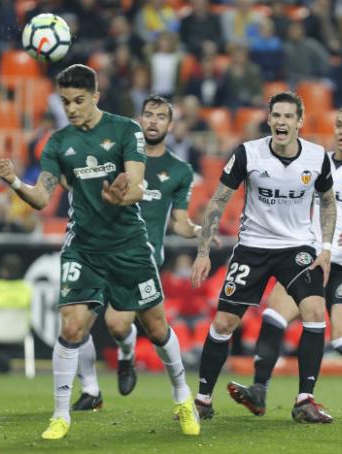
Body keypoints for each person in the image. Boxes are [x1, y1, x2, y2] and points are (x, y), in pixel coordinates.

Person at [0, 64, 200, 440]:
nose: (71, 108)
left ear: (95, 96)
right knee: (71, 327)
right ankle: (60, 416)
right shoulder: (58, 143)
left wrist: (124, 193)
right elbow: (41, 197)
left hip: (129, 244)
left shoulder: (126, 130)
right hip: (84, 246)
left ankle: (182, 396)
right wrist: (14, 183)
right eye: (65, 101)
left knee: (155, 328)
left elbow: (138, 185)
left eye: (79, 100)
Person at [225, 106, 342, 418]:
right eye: (339, 124)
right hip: (310, 258)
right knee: (274, 315)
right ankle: (260, 390)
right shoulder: (315, 161)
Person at [190, 91, 337, 423]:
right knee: (225, 322)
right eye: (276, 116)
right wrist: (203, 251)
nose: (281, 122)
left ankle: (305, 400)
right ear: (269, 120)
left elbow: (328, 202)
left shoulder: (317, 158)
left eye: (288, 117)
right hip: (253, 247)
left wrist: (326, 247)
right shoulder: (248, 154)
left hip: (297, 248)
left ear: (299, 122)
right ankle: (202, 400)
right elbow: (217, 201)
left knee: (314, 310)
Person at [71, 94, 217, 409]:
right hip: (100, 249)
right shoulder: (118, 157)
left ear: (170, 124)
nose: (153, 121)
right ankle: (91, 391)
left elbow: (179, 222)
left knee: (118, 324)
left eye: (160, 116)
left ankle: (127, 355)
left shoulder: (178, 171)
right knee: (75, 321)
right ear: (140, 120)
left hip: (142, 257)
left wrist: (197, 231)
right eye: (148, 115)